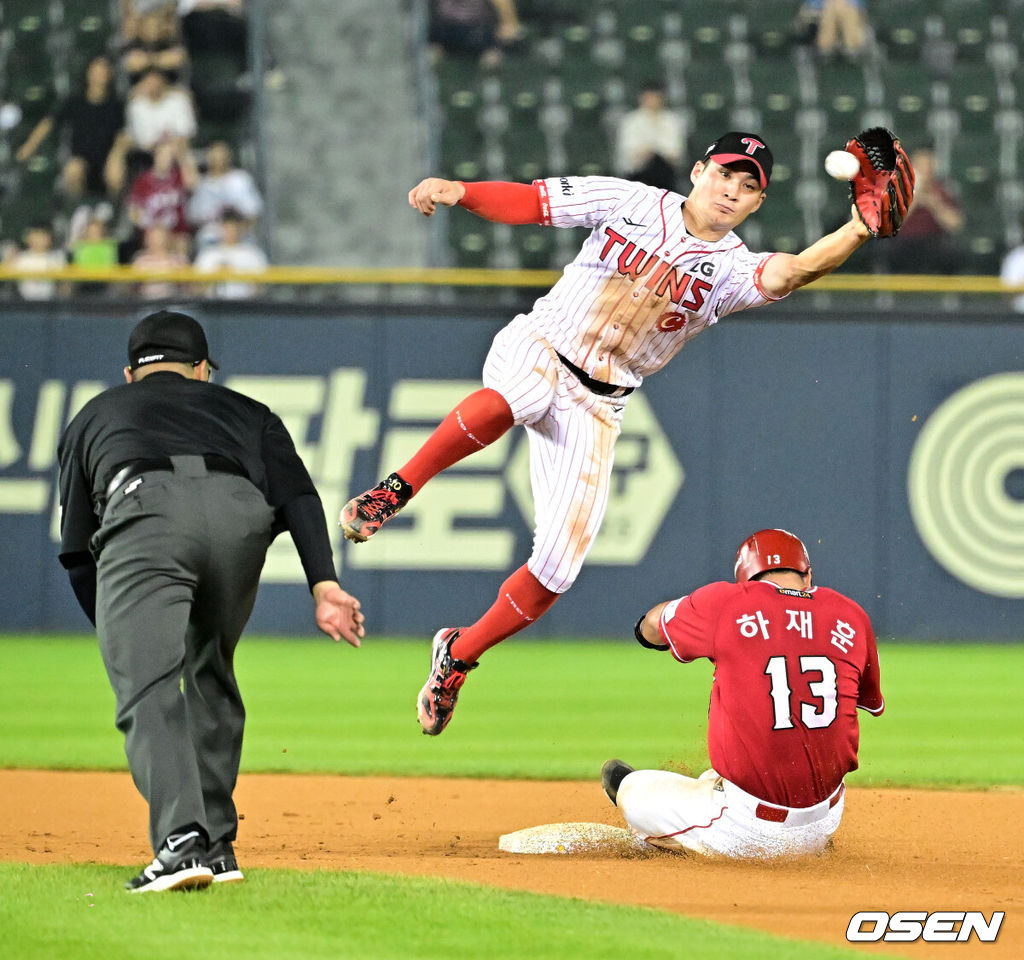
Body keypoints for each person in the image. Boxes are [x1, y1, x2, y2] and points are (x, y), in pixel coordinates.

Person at [340, 131, 887, 737]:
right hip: (541, 345)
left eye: (749, 186)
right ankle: (395, 489)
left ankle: (457, 656)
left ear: (758, 204)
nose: (733, 190)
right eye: (726, 174)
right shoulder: (630, 201)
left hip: (599, 403)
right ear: (700, 171)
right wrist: (461, 192)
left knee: (557, 570)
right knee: (520, 396)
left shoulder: (733, 269)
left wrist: (859, 229)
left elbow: (793, 272)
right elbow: (532, 203)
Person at [57, 310, 365, 893]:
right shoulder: (247, 410)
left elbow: (77, 550)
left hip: (145, 512)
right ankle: (218, 847)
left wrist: (119, 635)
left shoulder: (96, 413)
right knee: (210, 670)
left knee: (148, 685)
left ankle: (180, 844)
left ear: (130, 374)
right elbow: (298, 495)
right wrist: (323, 584)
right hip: (239, 518)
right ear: (201, 371)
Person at [602, 528, 883, 859]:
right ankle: (804, 840)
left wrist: (647, 630)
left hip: (747, 827)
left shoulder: (727, 601)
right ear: (807, 576)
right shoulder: (852, 614)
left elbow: (651, 627)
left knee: (632, 789)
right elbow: (866, 702)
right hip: (826, 819)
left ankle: (691, 844)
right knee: (721, 774)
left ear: (746, 580)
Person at [15, 55, 126, 200]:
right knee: (73, 169)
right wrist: (29, 146)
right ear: (89, 74)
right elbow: (49, 122)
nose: (100, 76)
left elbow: (122, 134)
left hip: (107, 160)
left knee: (116, 173)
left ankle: (113, 211)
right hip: (80, 159)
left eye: (104, 72)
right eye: (97, 71)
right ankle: (75, 208)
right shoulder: (75, 101)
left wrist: (116, 156)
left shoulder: (116, 104)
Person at [878, 148, 964, 275]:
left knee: (953, 255)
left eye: (928, 167)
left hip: (933, 242)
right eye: (921, 167)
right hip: (904, 243)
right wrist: (914, 200)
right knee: (887, 253)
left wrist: (933, 203)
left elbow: (955, 225)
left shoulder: (942, 192)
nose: (925, 171)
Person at [126, 136, 198, 257]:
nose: (166, 159)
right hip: (151, 232)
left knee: (182, 244)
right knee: (157, 239)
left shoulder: (179, 176)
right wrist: (149, 223)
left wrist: (182, 155)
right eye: (163, 154)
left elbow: (193, 183)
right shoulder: (143, 180)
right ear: (156, 155)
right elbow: (133, 212)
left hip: (177, 232)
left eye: (170, 155)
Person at [187, 140, 263, 248]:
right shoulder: (202, 184)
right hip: (212, 238)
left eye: (222, 155)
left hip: (240, 236)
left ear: (229, 157)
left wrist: (235, 232)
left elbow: (254, 212)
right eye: (215, 156)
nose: (218, 160)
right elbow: (194, 217)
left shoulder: (240, 179)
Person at [614, 81, 686, 192]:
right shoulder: (631, 121)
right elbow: (630, 153)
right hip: (638, 174)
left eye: (656, 97)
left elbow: (675, 154)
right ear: (641, 98)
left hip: (666, 174)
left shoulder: (672, 121)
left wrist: (654, 151)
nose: (652, 101)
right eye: (649, 97)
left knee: (659, 163)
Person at [192, 207, 268, 298]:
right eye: (227, 227)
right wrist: (215, 276)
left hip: (246, 305)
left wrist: (239, 274)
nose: (231, 231)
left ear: (241, 227)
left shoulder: (253, 254)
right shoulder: (208, 254)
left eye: (234, 227)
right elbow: (196, 289)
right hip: (212, 306)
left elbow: (262, 288)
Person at [9, 223, 67, 301]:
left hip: (51, 304)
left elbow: (65, 287)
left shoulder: (57, 257)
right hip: (23, 304)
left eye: (43, 234)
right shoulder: (20, 258)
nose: (39, 238)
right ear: (28, 237)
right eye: (36, 234)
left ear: (50, 238)